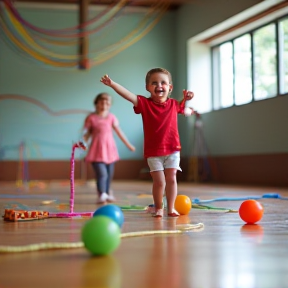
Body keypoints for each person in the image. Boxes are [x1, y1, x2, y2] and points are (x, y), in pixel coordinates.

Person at [100, 68, 194, 217]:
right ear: (148, 87)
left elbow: (184, 109)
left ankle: (171, 208)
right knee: (159, 182)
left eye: (163, 83)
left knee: (171, 179)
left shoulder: (174, 104)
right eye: (154, 83)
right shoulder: (144, 103)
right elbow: (128, 95)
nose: (159, 86)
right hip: (153, 151)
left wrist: (187, 100)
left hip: (172, 148)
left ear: (170, 87)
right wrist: (112, 84)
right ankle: (158, 208)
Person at [83, 92, 135, 204]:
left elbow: (119, 132)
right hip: (96, 150)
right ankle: (101, 194)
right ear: (96, 103)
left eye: (107, 102)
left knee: (109, 175)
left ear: (110, 105)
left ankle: (107, 192)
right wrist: (83, 143)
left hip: (110, 150)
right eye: (102, 102)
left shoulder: (111, 117)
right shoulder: (91, 118)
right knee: (102, 174)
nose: (104, 104)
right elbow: (86, 133)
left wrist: (128, 145)